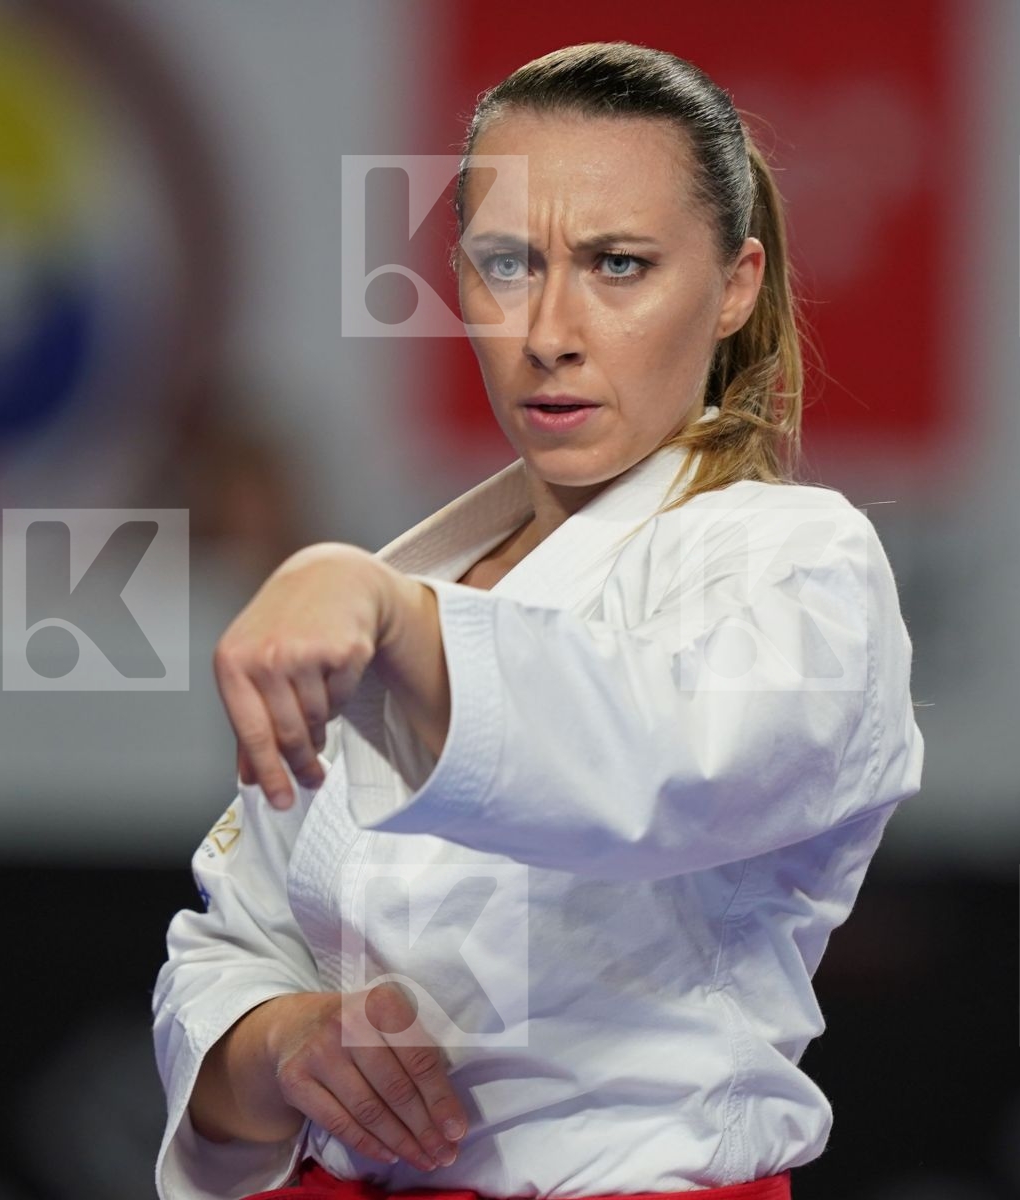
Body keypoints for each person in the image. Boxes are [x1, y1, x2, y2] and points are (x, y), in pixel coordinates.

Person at [151, 41, 924, 1200]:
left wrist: (389, 614)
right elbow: (232, 940)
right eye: (508, 264)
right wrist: (276, 1048)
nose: (549, 329)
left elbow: (651, 761)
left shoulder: (798, 562)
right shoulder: (425, 583)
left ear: (735, 284)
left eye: (619, 265)